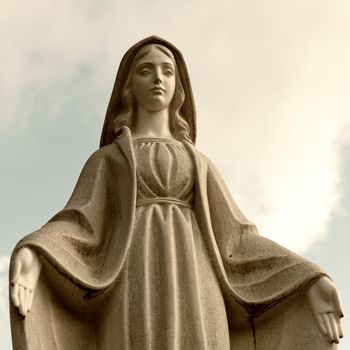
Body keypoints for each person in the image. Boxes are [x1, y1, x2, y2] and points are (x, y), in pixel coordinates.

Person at [10, 36, 343, 350]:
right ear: (128, 87)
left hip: (197, 282)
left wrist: (308, 278)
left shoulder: (199, 163)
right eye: (146, 70)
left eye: (167, 71)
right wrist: (35, 252)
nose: (158, 79)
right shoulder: (107, 160)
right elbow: (80, 223)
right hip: (132, 275)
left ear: (178, 86)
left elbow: (239, 240)